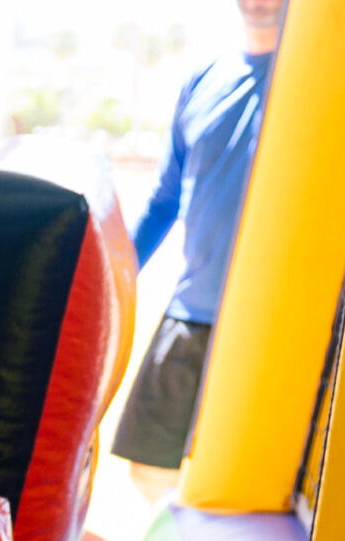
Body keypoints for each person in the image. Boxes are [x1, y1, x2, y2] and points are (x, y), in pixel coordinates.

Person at [113, 0, 284, 500]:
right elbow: (165, 200)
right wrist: (111, 279)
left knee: (248, 486)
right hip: (194, 313)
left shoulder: (315, 83)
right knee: (149, 470)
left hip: (276, 329)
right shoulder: (204, 79)